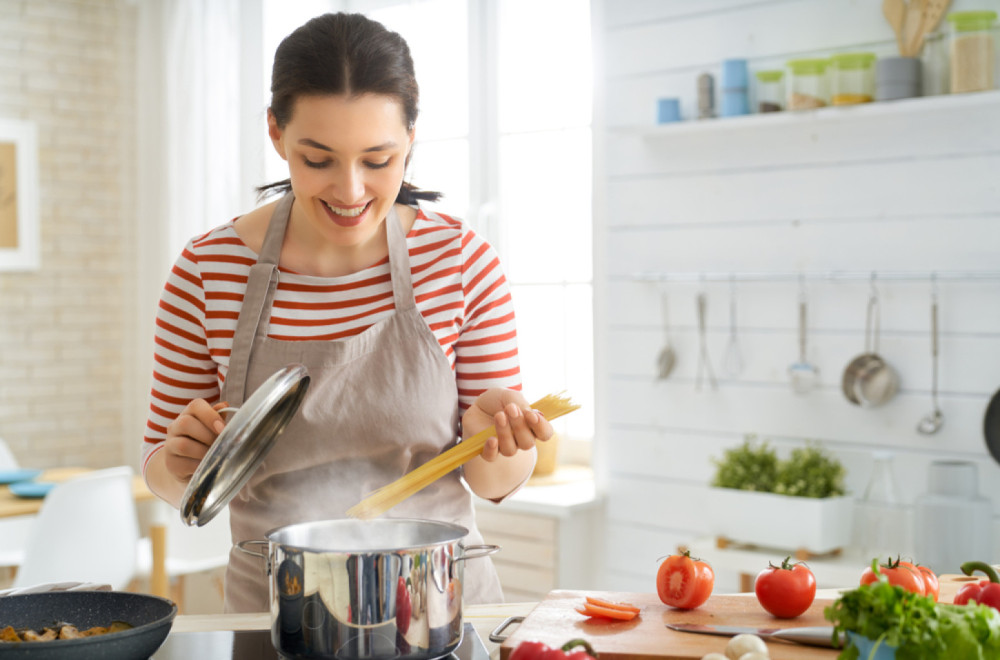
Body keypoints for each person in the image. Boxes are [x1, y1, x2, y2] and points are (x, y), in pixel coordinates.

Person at [140, 12, 553, 612]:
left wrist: (501, 441)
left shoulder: (461, 261)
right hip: (278, 614)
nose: (351, 190)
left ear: (411, 138)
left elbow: (495, 484)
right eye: (318, 159)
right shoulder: (208, 271)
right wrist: (179, 460)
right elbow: (165, 469)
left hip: (434, 606)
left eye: (378, 160)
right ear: (276, 133)